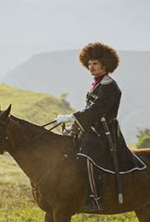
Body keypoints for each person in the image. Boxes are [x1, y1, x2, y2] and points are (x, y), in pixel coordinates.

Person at [55, 42, 142, 212]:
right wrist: (73, 125)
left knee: (87, 157)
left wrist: (73, 117)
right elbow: (89, 109)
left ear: (105, 64)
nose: (91, 67)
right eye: (89, 64)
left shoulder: (109, 86)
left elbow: (97, 110)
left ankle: (94, 198)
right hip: (92, 129)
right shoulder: (97, 83)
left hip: (104, 132)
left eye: (94, 64)